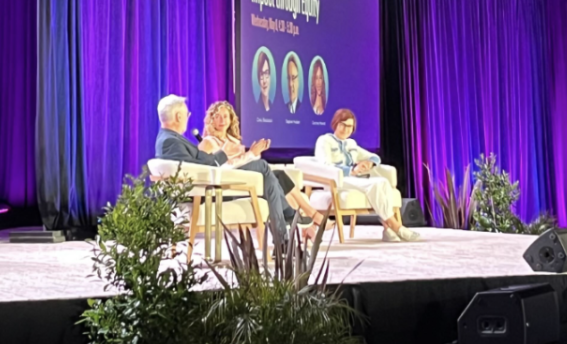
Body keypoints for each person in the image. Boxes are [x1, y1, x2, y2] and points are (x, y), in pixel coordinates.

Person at [154, 95, 293, 237]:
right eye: (186, 115)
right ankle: (287, 218)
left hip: (208, 184)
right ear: (178, 117)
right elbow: (196, 169)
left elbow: (198, 163)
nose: (187, 118)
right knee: (263, 167)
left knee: (269, 177)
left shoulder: (170, 139)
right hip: (206, 190)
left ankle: (283, 233)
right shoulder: (170, 142)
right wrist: (224, 153)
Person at [202, 101, 332, 239]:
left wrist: (255, 153)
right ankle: (295, 215)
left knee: (277, 177)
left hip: (247, 181)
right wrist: (250, 154)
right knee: (264, 167)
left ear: (231, 119)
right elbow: (218, 169)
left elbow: (242, 164)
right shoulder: (208, 142)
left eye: (225, 116)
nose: (222, 120)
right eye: (218, 116)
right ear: (211, 119)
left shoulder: (233, 141)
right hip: (230, 187)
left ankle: (285, 236)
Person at [314, 108, 420, 243]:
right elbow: (325, 166)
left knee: (383, 182)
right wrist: (351, 170)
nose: (346, 130)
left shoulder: (350, 144)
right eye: (343, 125)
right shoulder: (324, 141)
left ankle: (388, 229)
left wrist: (369, 163)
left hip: (351, 180)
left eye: (350, 127)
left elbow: (374, 157)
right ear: (336, 123)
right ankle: (396, 226)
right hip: (335, 180)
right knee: (376, 184)